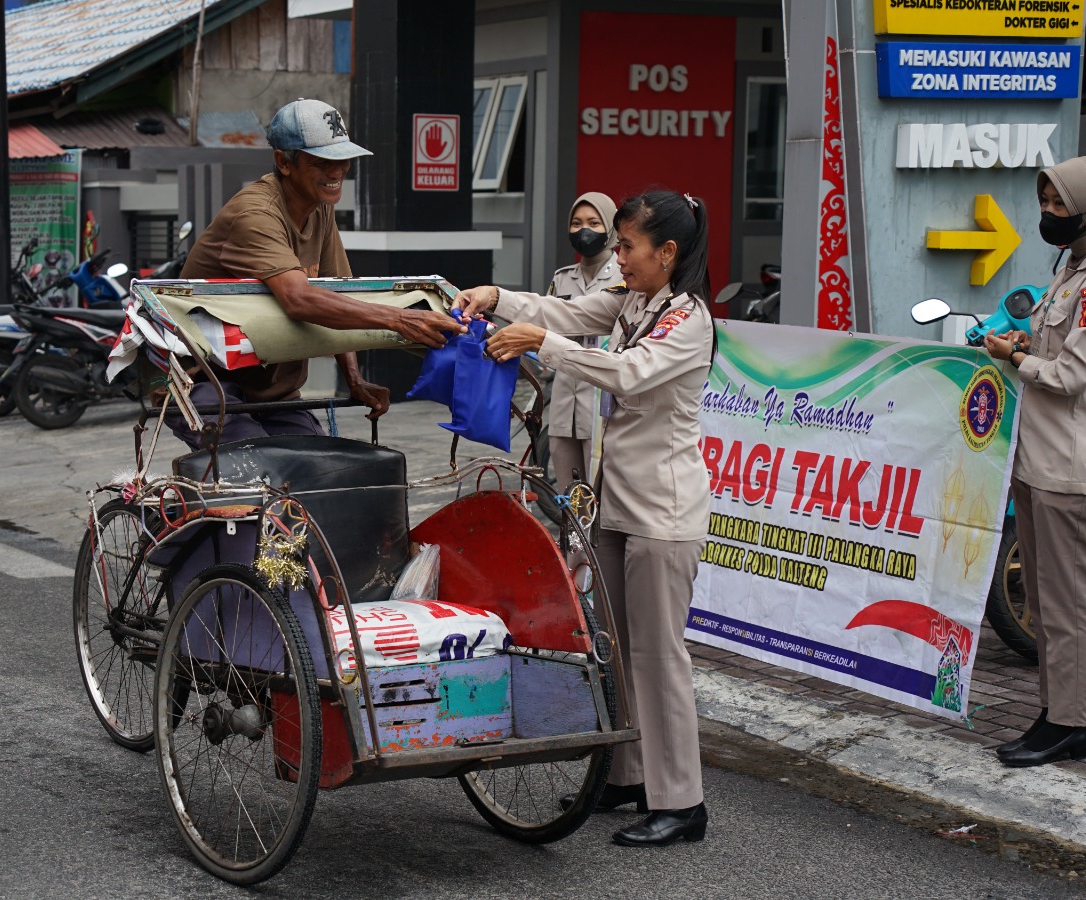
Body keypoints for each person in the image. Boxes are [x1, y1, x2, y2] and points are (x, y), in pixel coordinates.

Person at [455, 190, 715, 847]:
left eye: (628, 247)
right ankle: (630, 777)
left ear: (668, 253)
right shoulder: (633, 300)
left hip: (664, 510)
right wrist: (497, 298)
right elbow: (567, 309)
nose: (618, 257)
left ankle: (682, 802)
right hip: (620, 500)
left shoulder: (688, 319)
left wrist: (544, 344)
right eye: (620, 244)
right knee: (620, 650)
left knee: (660, 656)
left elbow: (627, 374)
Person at [171, 97, 461, 448]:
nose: (336, 171)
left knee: (320, 473)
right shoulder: (255, 214)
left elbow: (339, 292)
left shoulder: (319, 208)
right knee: (261, 475)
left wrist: (354, 378)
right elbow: (299, 299)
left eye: (342, 159)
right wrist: (401, 320)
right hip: (204, 382)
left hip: (273, 389)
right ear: (284, 162)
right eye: (322, 161)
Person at [982, 156, 1086, 768]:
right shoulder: (1075, 265)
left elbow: (1074, 375)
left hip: (1069, 465)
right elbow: (1059, 348)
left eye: (1058, 204)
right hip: (1039, 456)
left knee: (1069, 600)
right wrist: (1023, 344)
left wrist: (1015, 360)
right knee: (1046, 599)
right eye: (1044, 201)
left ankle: (1069, 723)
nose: (1047, 213)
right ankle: (1052, 715)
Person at [543, 191, 622, 489]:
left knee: (601, 496)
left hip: (602, 405)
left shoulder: (625, 278)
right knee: (568, 495)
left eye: (593, 222)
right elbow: (549, 325)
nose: (583, 230)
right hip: (564, 402)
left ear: (611, 228)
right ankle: (570, 537)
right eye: (575, 223)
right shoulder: (562, 278)